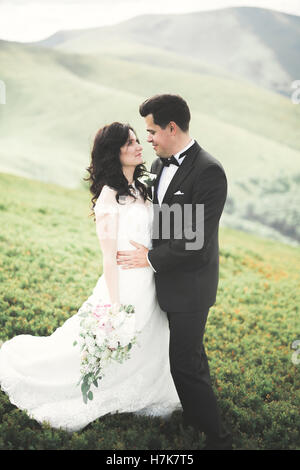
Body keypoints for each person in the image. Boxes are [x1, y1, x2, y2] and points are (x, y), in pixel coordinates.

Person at [0, 122, 182, 432]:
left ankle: (147, 386)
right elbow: (109, 258)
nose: (139, 146)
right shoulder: (109, 198)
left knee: (149, 339)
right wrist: (113, 306)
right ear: (114, 152)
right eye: (130, 143)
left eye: (138, 140)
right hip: (124, 285)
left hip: (150, 282)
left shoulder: (141, 187)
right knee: (99, 351)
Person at [117, 94, 233, 450]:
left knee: (184, 363)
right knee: (191, 354)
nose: (147, 138)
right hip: (164, 281)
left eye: (151, 131)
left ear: (171, 128)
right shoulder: (159, 163)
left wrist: (150, 259)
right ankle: (198, 417)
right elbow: (168, 223)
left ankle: (217, 438)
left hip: (190, 286)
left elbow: (194, 242)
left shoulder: (208, 171)